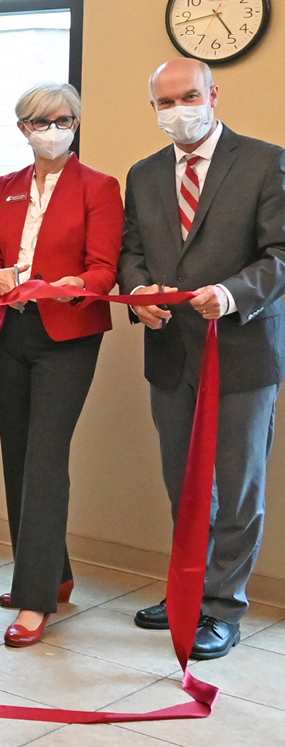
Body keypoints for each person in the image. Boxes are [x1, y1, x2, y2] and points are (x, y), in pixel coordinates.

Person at [120, 59, 285, 661]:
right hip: (169, 352)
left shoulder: (266, 161)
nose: (178, 110)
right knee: (185, 486)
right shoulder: (143, 175)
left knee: (238, 488)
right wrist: (138, 294)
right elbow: (130, 252)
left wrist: (232, 294)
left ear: (213, 94)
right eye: (165, 101)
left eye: (188, 96)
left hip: (241, 351)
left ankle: (221, 607)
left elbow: (280, 255)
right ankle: (188, 586)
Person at [0, 84, 122, 646]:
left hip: (68, 333)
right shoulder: (7, 188)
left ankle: (35, 599)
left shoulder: (99, 188)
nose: (53, 129)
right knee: (18, 453)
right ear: (22, 129)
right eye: (41, 121)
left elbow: (104, 269)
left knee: (45, 457)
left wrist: (70, 286)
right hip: (12, 329)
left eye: (64, 120)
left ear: (77, 124)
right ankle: (50, 573)